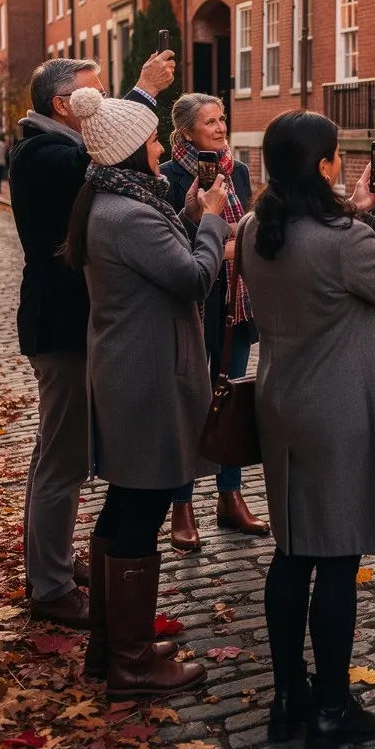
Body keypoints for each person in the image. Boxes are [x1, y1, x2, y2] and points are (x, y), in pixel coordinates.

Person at [240, 111, 375, 749]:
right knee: (338, 559)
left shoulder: (249, 228)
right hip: (340, 410)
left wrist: (357, 214)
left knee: (293, 553)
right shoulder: (344, 238)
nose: (343, 162)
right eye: (336, 155)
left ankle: (288, 696)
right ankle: (333, 709)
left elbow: (316, 255)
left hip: (280, 403)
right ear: (321, 165)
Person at [62, 86, 228, 698]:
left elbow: (158, 259)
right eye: (155, 139)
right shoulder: (127, 212)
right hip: (146, 378)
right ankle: (133, 666)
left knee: (126, 505)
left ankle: (113, 645)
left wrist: (186, 217)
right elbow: (189, 277)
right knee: (144, 507)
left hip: (132, 370)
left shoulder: (116, 200)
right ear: (132, 149)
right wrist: (209, 224)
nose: (162, 146)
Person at [9, 54, 173, 628]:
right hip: (61, 326)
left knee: (58, 453)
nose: (102, 105)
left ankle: (49, 561)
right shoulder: (48, 154)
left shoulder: (48, 148)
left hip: (65, 323)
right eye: (93, 97)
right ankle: (50, 586)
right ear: (63, 105)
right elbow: (112, 154)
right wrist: (144, 93)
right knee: (63, 459)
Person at [160, 93, 269, 550]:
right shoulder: (167, 178)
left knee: (230, 401)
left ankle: (230, 495)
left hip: (235, 306)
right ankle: (181, 505)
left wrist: (238, 248)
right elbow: (167, 246)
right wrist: (215, 244)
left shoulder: (237, 171)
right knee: (191, 402)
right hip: (193, 304)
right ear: (186, 132)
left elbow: (248, 231)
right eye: (210, 121)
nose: (221, 127)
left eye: (223, 118)